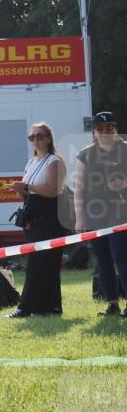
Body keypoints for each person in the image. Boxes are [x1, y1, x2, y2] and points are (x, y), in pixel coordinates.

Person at [5, 123, 68, 318]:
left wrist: (27, 186)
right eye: (31, 137)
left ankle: (26, 307)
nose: (35, 140)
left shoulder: (54, 161)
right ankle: (48, 307)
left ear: (49, 139)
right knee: (39, 262)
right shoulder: (31, 162)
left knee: (41, 264)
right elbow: (27, 194)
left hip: (50, 218)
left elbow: (52, 190)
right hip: (33, 217)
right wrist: (20, 190)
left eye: (40, 136)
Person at [74, 111, 127, 317]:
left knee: (121, 255)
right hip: (95, 210)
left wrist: (124, 183)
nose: (106, 132)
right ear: (94, 132)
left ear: (115, 129)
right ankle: (112, 304)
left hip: (120, 209)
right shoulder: (86, 154)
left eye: (110, 128)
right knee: (103, 259)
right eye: (101, 129)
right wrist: (80, 217)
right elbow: (79, 187)